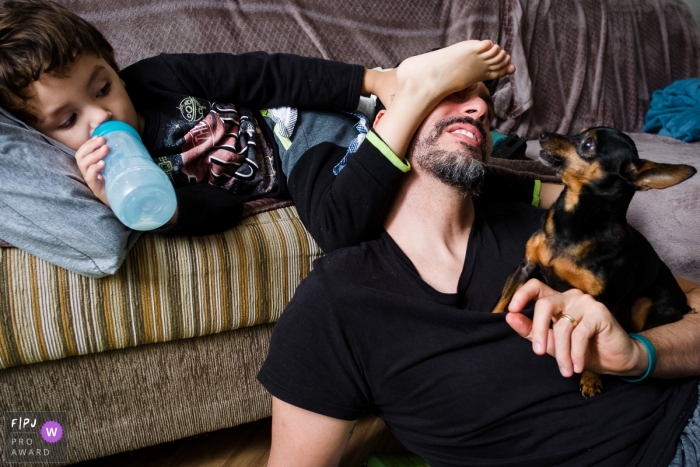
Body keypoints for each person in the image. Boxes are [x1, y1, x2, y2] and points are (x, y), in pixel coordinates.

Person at [257, 76, 700, 466]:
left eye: (485, 100)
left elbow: (689, 306)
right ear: (385, 124)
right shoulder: (337, 303)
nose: (481, 107)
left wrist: (639, 355)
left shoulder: (558, 235)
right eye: (451, 93)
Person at [1, 0, 544, 248]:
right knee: (351, 218)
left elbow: (264, 75)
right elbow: (224, 208)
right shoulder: (126, 179)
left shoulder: (158, 78)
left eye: (102, 88)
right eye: (69, 120)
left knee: (413, 134)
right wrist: (127, 206)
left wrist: (374, 80)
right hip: (301, 162)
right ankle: (528, 180)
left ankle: (426, 98)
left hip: (298, 124)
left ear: (114, 67)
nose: (102, 116)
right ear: (43, 136)